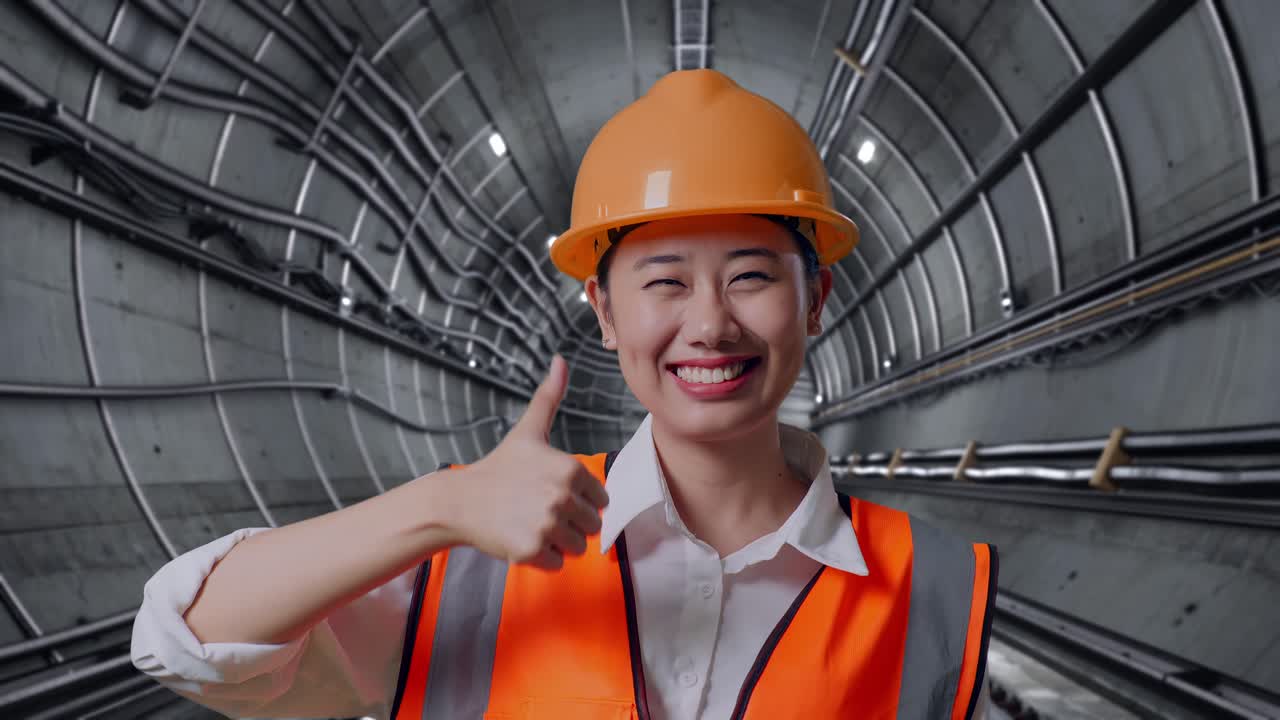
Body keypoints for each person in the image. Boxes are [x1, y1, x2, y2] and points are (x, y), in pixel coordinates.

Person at [132, 69, 996, 719]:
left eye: (749, 277)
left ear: (813, 301)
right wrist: (439, 505)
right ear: (604, 311)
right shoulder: (476, 557)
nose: (710, 325)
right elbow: (184, 640)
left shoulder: (934, 588)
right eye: (664, 282)